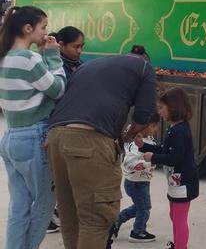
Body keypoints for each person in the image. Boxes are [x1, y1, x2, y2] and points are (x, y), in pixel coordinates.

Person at [46, 45, 157, 249]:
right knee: (96, 220)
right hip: (89, 142)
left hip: (55, 138)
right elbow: (144, 116)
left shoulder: (90, 65)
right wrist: (128, 135)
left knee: (71, 216)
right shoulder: (144, 68)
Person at [0, 6, 66, 249]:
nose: (45, 33)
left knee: (19, 205)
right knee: (45, 203)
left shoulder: (4, 55)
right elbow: (57, 89)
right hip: (33, 137)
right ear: (28, 28)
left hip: (11, 137)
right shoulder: (29, 59)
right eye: (43, 27)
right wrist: (53, 56)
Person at [139, 88, 198, 249]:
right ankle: (178, 244)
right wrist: (144, 146)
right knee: (174, 215)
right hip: (175, 183)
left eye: (161, 108)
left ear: (173, 107)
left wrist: (152, 157)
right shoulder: (175, 128)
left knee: (179, 219)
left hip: (183, 183)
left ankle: (181, 246)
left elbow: (174, 158)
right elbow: (165, 149)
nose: (159, 112)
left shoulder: (180, 131)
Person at [45, 26, 83, 235]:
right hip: (56, 124)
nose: (79, 51)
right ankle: (49, 216)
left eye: (81, 47)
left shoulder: (77, 65)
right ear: (60, 45)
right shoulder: (52, 66)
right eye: (75, 46)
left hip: (70, 124)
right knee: (53, 177)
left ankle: (57, 212)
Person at [112, 113, 160, 243]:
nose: (156, 129)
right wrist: (147, 163)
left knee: (140, 206)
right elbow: (128, 162)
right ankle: (138, 232)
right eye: (154, 126)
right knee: (144, 209)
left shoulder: (148, 138)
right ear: (144, 126)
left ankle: (116, 221)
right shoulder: (135, 142)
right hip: (135, 183)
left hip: (142, 181)